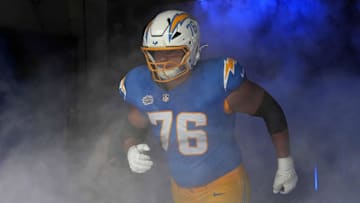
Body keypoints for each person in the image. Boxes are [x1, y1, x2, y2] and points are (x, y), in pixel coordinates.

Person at [118, 9, 298, 203]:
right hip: (179, 188)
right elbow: (132, 128)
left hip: (222, 186)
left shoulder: (217, 79)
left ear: (193, 50)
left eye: (172, 53)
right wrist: (131, 148)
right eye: (157, 54)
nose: (162, 61)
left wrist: (285, 163)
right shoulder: (141, 84)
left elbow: (270, 110)